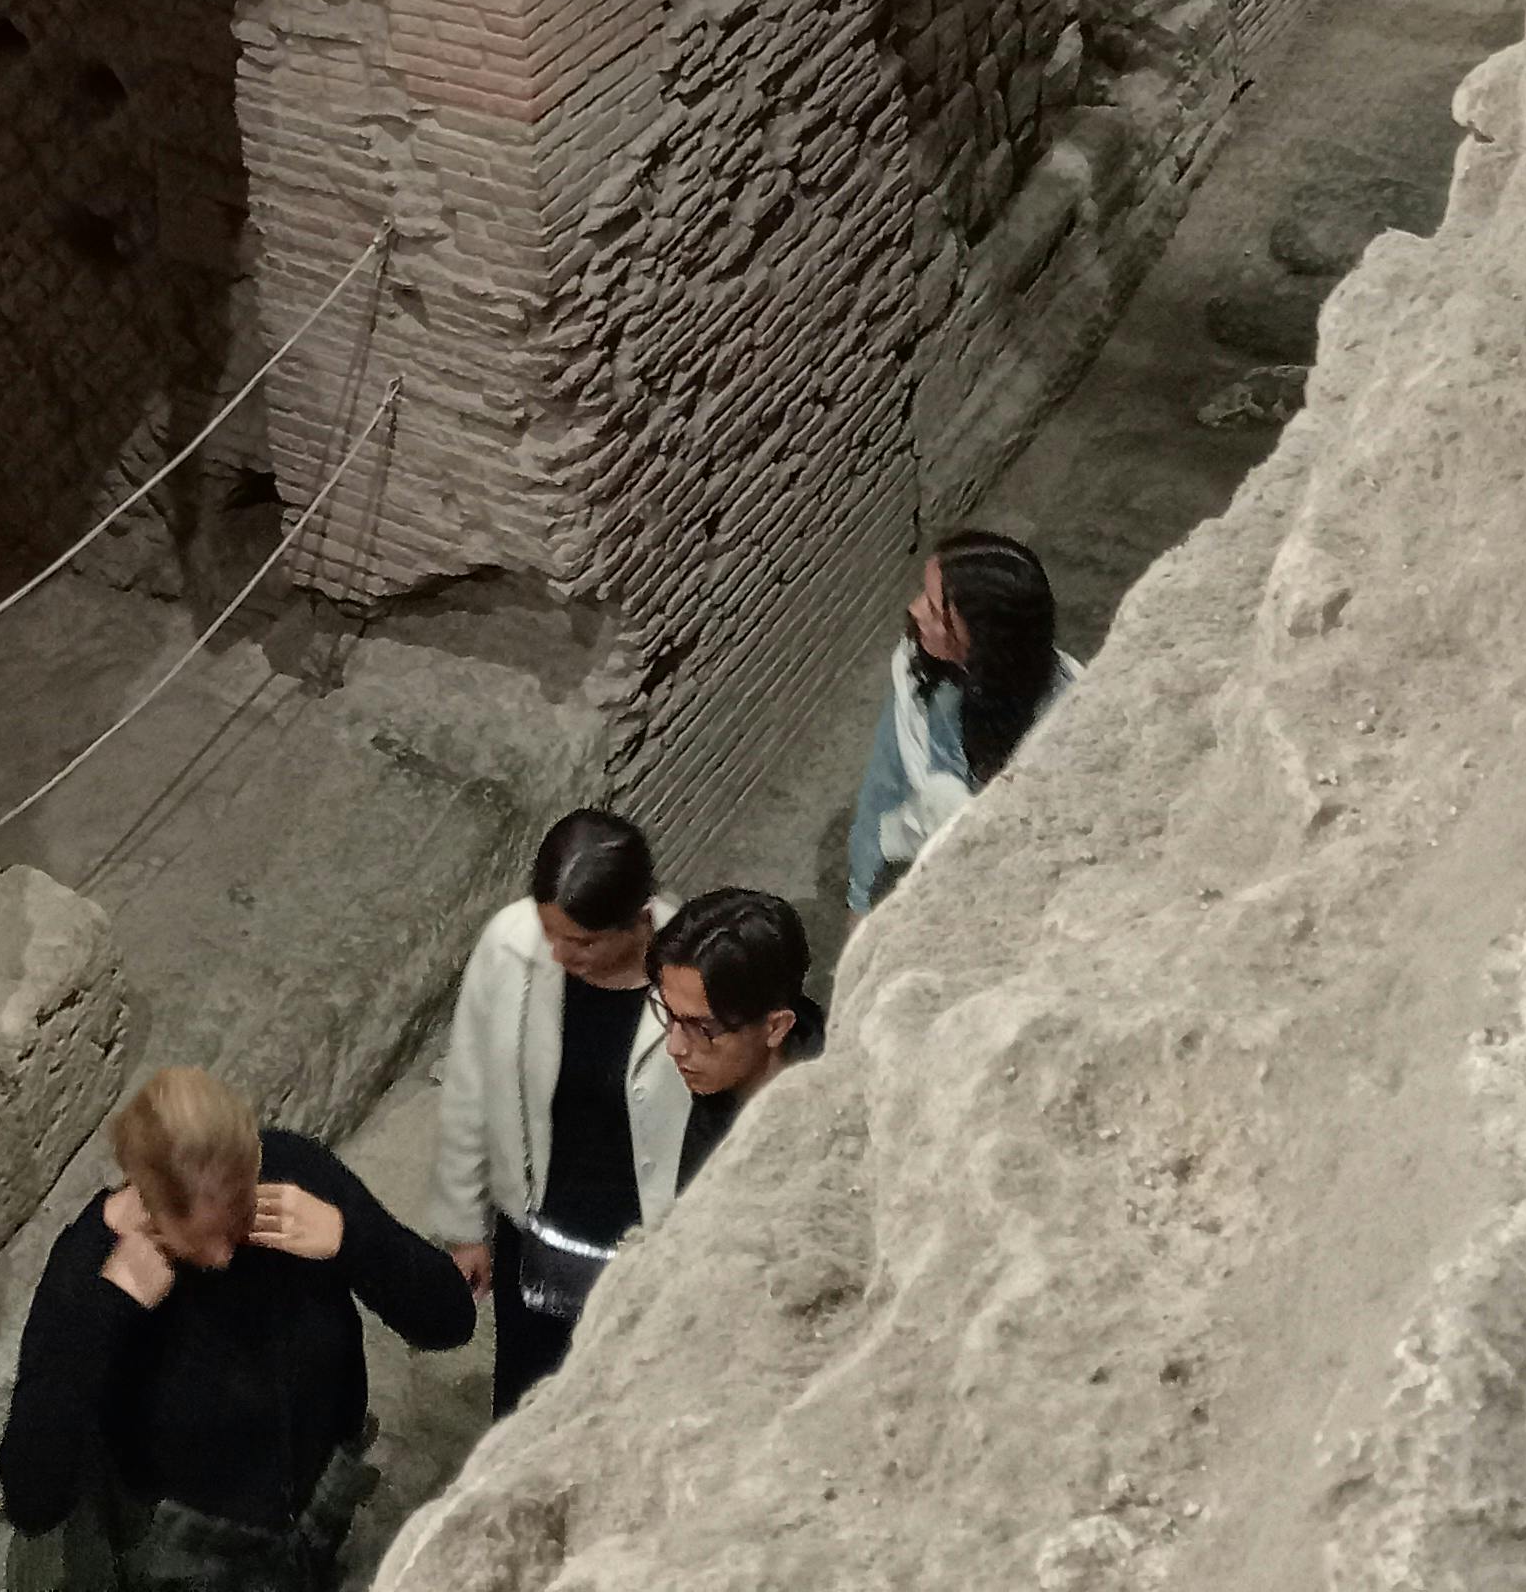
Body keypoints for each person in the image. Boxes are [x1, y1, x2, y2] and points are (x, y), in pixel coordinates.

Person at [0, 1062, 474, 1588]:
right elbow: (33, 1500)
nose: (223, 1257)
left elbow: (451, 1320)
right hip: (193, 1551)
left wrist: (351, 1237)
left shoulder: (294, 1176)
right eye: (199, 1236)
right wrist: (106, 1310)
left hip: (326, 1494)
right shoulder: (87, 1273)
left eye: (238, 1220)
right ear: (145, 1198)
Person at [431, 808, 687, 1414]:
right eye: (552, 933)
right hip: (537, 1234)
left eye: (584, 942)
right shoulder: (511, 945)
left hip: (646, 1250)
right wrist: (465, 1229)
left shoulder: (694, 974)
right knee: (526, 1400)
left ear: (640, 918)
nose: (560, 953)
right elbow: (470, 1086)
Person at [845, 530, 1078, 916]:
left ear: (985, 642)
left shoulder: (1064, 721)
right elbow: (885, 791)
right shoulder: (918, 668)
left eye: (936, 612)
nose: (915, 610)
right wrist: (862, 897)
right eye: (924, 594)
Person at [646, 888, 826, 1191]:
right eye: (670, 1014)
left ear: (776, 1028)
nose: (674, 1047)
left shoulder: (824, 1140)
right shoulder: (721, 1089)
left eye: (702, 1028)